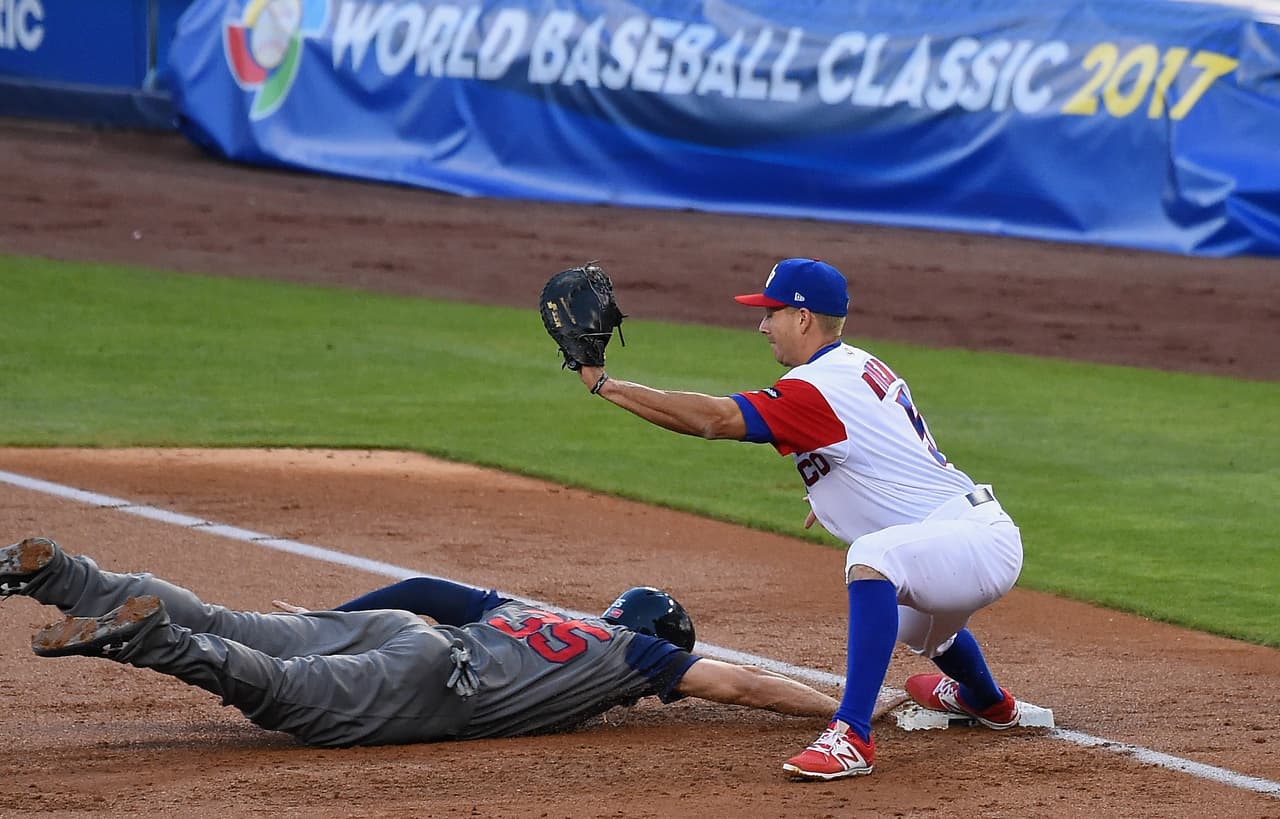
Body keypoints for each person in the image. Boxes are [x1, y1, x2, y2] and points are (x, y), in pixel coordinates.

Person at [571, 258, 1024, 780]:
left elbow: (715, 420)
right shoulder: (855, 365)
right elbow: (887, 452)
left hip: (976, 542)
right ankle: (987, 702)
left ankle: (851, 736)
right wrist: (835, 495)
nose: (763, 326)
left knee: (871, 559)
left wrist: (605, 384)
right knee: (911, 626)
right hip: (961, 533)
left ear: (804, 318)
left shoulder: (819, 386)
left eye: (772, 313)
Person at [0, 535, 860, 749]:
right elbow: (742, 686)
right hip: (432, 676)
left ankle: (67, 574)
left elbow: (422, 592)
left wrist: (337, 619)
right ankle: (151, 637)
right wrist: (852, 709)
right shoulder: (631, 655)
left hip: (396, 626)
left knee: (228, 619)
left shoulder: (537, 608)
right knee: (286, 693)